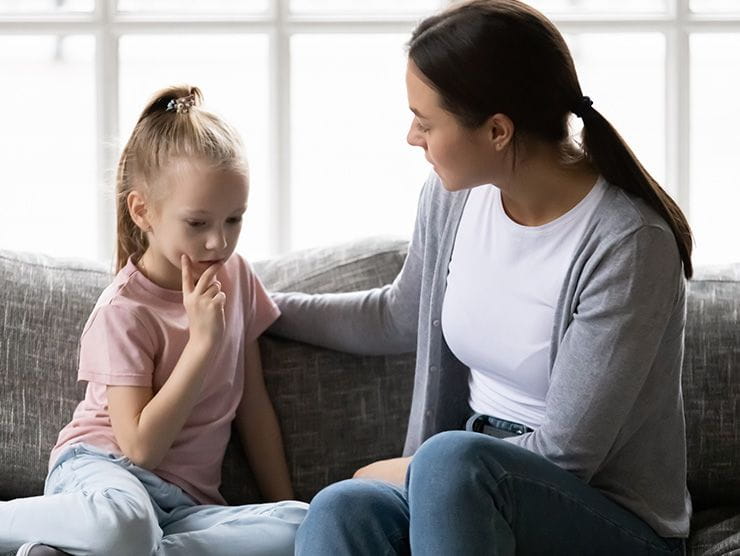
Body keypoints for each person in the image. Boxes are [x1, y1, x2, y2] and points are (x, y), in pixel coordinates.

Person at [269, 1, 693, 554]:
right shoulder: (454, 200)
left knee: (448, 461)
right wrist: (259, 305)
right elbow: (400, 315)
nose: (410, 136)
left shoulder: (627, 244)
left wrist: (414, 469)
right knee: (343, 509)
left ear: (497, 130)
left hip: (607, 519)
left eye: (425, 121)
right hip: (467, 483)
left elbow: (568, 455)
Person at [0, 85, 307, 556]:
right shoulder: (123, 311)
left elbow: (253, 406)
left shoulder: (237, 277)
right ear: (143, 210)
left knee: (303, 523)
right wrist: (203, 344)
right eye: (198, 223)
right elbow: (141, 448)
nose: (218, 244)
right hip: (104, 476)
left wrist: (281, 500)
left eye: (234, 220)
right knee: (125, 524)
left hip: (184, 507)